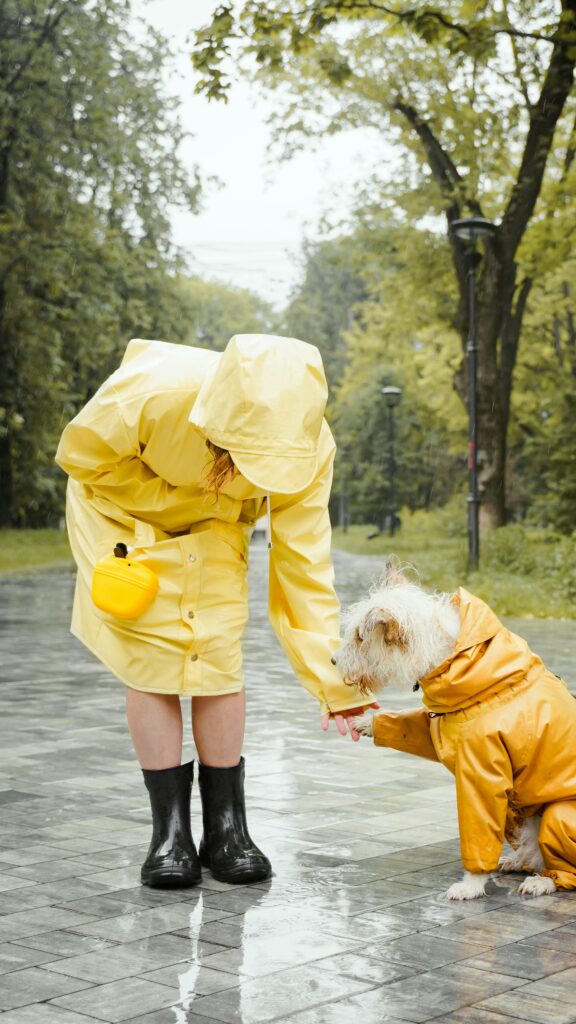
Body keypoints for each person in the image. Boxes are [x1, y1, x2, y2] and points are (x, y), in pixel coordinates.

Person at [55, 333, 375, 888]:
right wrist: (189, 500)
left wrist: (337, 682)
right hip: (121, 513)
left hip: (218, 521)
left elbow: (303, 563)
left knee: (219, 648)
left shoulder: (310, 444)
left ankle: (227, 830)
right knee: (153, 652)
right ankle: (169, 835)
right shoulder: (153, 393)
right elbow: (80, 457)